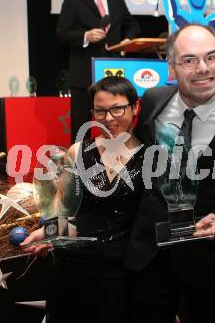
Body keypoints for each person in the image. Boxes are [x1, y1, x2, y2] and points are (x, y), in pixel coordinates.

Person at [125, 24, 215, 323]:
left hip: (204, 258)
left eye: (211, 57)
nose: (203, 69)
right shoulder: (154, 99)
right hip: (147, 255)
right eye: (189, 60)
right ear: (172, 68)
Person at [21, 76, 143, 323]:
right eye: (100, 111)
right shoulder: (77, 152)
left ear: (135, 107)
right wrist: (49, 232)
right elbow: (62, 206)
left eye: (117, 108)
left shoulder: (151, 156)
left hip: (121, 274)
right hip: (73, 267)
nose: (109, 118)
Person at [57, 0, 140, 143]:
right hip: (84, 73)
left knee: (117, 119)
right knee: (81, 125)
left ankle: (121, 158)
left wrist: (127, 41)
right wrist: (85, 36)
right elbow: (62, 34)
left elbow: (133, 26)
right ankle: (80, 161)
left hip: (114, 71)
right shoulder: (73, 0)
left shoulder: (118, 1)